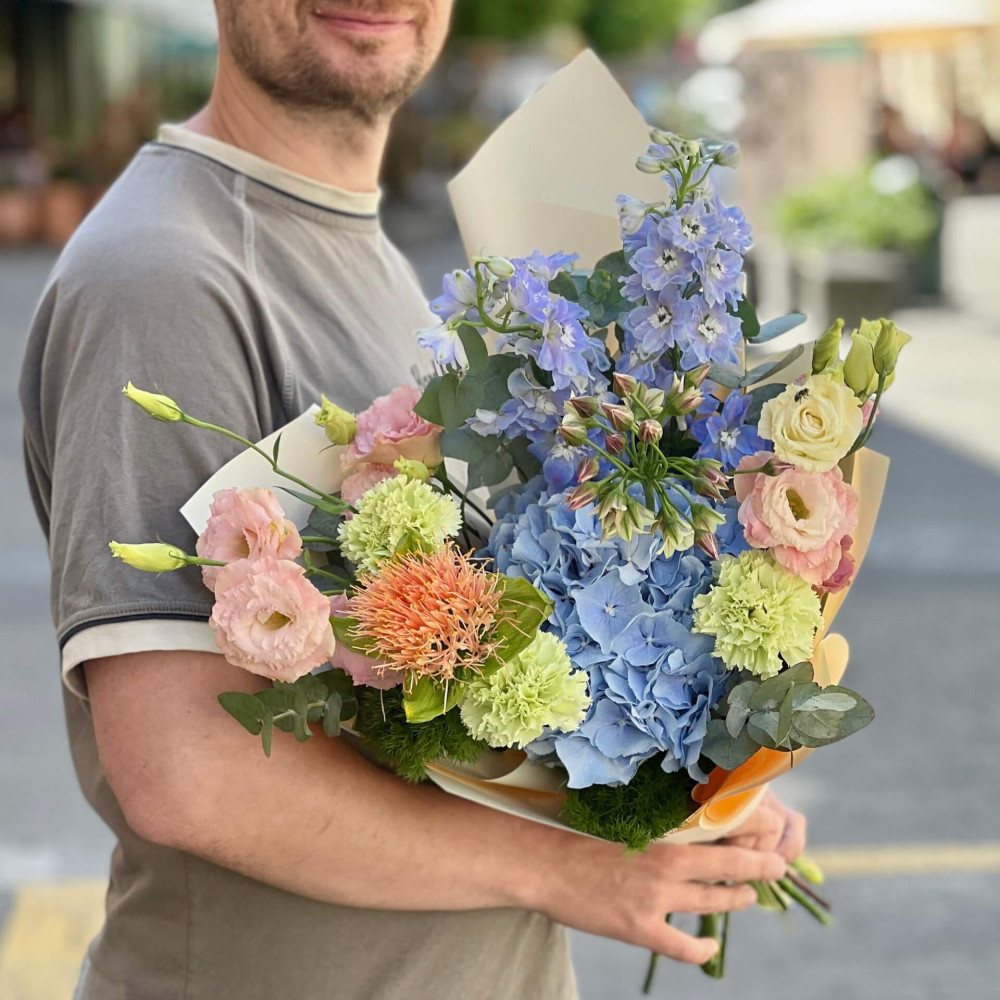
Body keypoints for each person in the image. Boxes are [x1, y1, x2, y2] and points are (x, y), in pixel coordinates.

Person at [19, 2, 806, 997]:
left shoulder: (362, 252)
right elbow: (186, 773)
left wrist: (683, 784)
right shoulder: (163, 277)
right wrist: (566, 870)